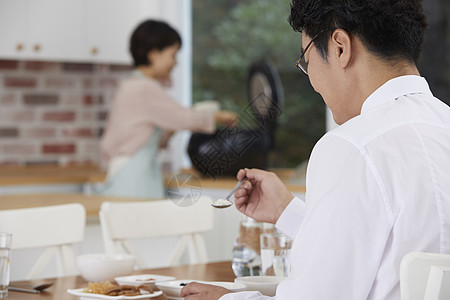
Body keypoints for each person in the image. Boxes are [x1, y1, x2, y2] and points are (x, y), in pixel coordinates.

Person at [181, 0, 450, 299]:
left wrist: (224, 298)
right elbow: (391, 246)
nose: (313, 81)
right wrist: (288, 212)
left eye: (306, 61)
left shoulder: (352, 147)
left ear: (339, 47)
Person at [100, 20, 237, 199]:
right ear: (154, 54)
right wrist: (217, 116)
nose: (175, 63)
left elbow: (149, 135)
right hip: (133, 179)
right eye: (173, 55)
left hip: (128, 174)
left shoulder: (131, 85)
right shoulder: (143, 88)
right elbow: (184, 118)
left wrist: (172, 128)